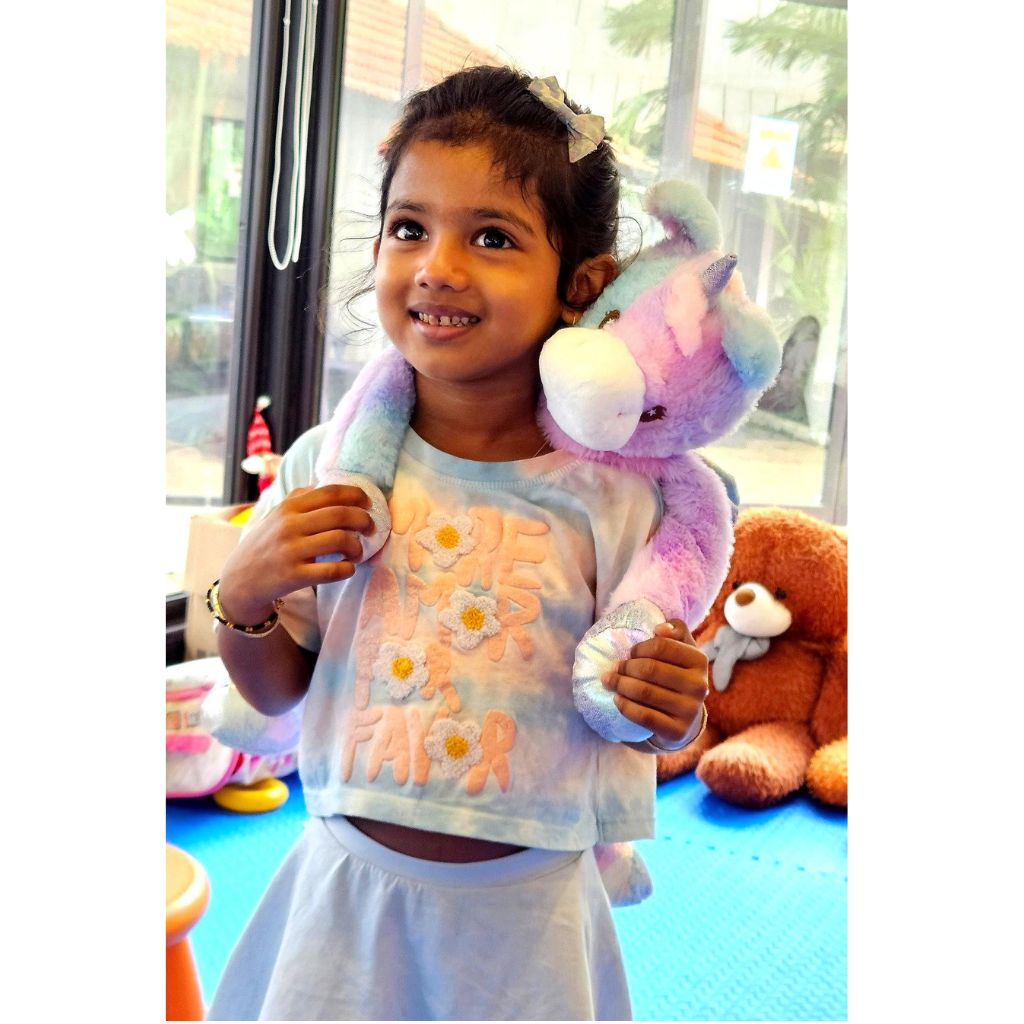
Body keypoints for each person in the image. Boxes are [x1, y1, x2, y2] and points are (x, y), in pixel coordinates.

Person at [205, 65, 709, 1022]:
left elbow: (645, 703)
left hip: (528, 921)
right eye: (409, 227)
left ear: (582, 285)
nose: (437, 264)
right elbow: (277, 687)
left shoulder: (614, 499)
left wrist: (671, 704)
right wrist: (246, 589)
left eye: (491, 236)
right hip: (343, 900)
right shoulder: (335, 471)